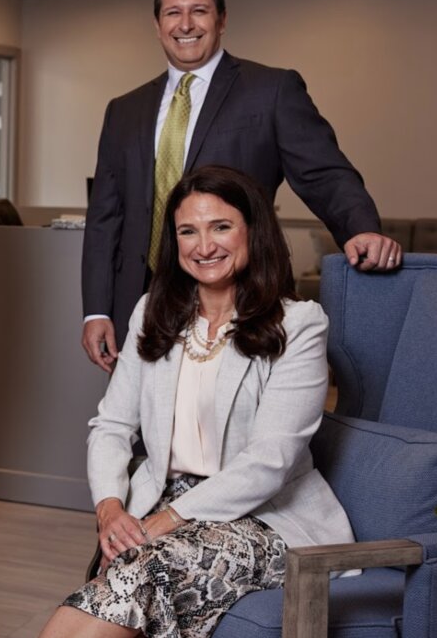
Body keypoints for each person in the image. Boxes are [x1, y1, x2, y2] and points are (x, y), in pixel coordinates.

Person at [41, 165, 354, 638]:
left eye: (220, 227)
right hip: (164, 498)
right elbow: (111, 426)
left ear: (253, 230)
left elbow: (270, 460)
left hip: (265, 517)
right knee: (129, 572)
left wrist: (165, 521)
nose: (204, 246)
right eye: (188, 231)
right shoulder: (152, 312)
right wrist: (110, 507)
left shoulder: (299, 325)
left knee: (142, 569)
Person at [81, 0, 400, 373]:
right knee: (144, 414)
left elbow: (324, 173)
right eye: (173, 12)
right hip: (142, 303)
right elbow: (104, 218)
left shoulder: (272, 90)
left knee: (238, 411)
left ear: (222, 19)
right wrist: (96, 310)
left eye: (199, 10)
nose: (185, 24)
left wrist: (360, 228)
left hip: (244, 298)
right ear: (158, 24)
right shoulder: (123, 111)